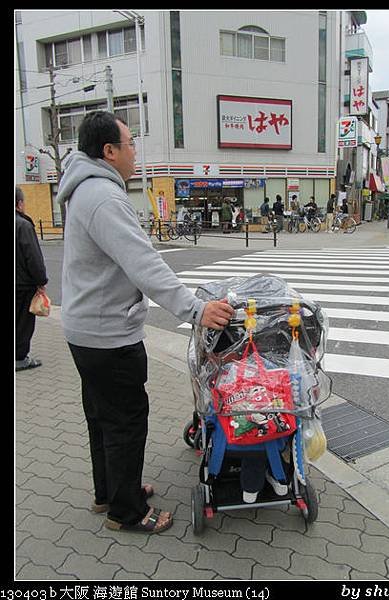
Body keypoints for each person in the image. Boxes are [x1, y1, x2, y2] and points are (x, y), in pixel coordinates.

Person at [56, 111, 234, 535]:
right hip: (108, 335)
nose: (136, 152)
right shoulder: (103, 196)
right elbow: (145, 264)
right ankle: (128, 511)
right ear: (109, 151)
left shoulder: (85, 191)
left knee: (101, 418)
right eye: (131, 143)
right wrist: (195, 309)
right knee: (125, 420)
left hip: (86, 329)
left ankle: (111, 493)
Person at [15, 186, 49, 372]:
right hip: (21, 284)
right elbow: (33, 256)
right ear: (19, 204)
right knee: (22, 323)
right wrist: (41, 280)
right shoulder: (23, 225)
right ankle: (19, 357)